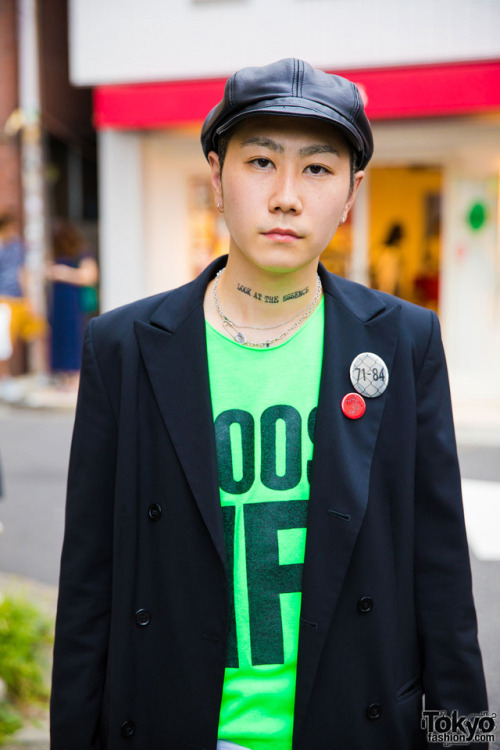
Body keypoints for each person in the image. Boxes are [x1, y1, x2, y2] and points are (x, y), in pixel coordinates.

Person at [51, 59, 488, 750]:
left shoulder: (402, 343)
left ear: (351, 193)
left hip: (354, 722)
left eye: (318, 169)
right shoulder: (126, 348)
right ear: (216, 175)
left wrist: (463, 739)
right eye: (260, 162)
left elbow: (441, 580)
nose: (287, 196)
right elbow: (87, 589)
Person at [46, 219, 99, 390]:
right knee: (59, 336)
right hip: (58, 301)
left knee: (75, 336)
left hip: (74, 301)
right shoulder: (55, 252)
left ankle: (76, 375)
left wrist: (63, 273)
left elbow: (89, 276)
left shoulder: (81, 252)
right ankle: (63, 375)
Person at [0, 211, 45, 400]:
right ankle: (5, 379)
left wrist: (29, 300)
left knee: (37, 331)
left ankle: (40, 372)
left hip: (18, 298)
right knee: (4, 342)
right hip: (3, 299)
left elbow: (23, 274)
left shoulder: (17, 247)